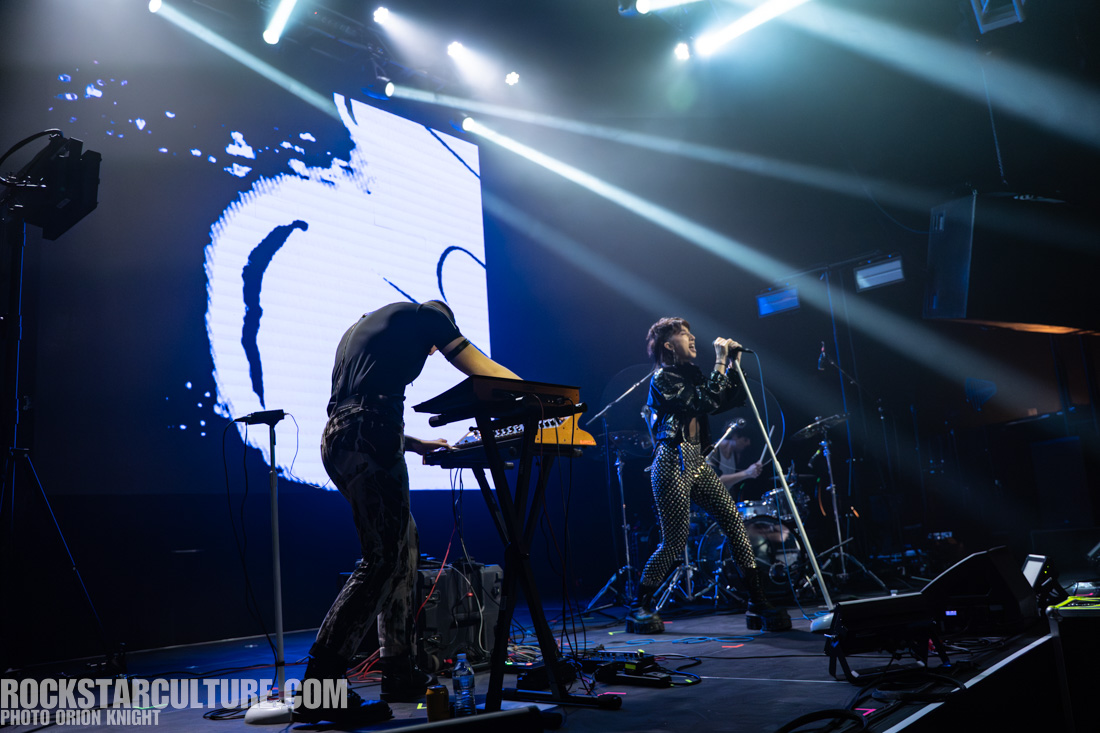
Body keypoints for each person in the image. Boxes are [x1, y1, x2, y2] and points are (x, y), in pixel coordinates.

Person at [298, 300, 521, 726]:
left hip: (345, 437)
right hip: (369, 434)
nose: (433, 353)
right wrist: (532, 393)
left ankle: (398, 672)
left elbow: (355, 408)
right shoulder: (428, 317)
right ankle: (319, 686)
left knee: (404, 550)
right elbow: (481, 368)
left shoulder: (364, 329)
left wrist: (416, 444)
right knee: (382, 560)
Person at [628, 317, 791, 635]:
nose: (692, 339)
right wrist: (718, 360)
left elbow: (724, 399)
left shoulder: (690, 375)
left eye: (691, 334)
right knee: (674, 542)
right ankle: (640, 607)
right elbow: (701, 400)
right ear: (667, 345)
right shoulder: (663, 378)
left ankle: (757, 602)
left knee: (735, 524)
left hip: (696, 462)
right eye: (684, 335)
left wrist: (733, 365)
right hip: (671, 461)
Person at [707, 419, 764, 499]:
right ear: (735, 436)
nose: (748, 444)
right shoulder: (713, 451)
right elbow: (714, 481)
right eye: (745, 440)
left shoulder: (736, 455)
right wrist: (747, 473)